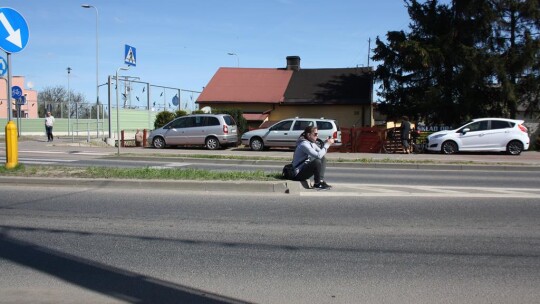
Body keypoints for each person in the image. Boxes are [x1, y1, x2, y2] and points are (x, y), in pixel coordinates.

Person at [292, 125, 335, 190]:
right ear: (309, 135)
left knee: (323, 158)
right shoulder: (304, 144)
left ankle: (320, 181)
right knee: (316, 162)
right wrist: (327, 145)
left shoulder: (311, 143)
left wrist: (326, 143)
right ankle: (317, 184)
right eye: (315, 134)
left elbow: (321, 153)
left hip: (304, 169)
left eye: (317, 134)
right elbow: (318, 155)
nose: (317, 136)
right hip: (298, 174)